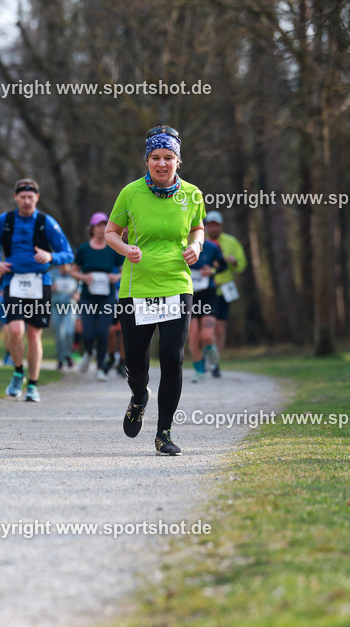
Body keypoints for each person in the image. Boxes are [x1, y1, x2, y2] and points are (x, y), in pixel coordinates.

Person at [105, 125, 206, 455]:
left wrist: (197, 246)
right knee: (136, 363)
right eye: (155, 157)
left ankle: (164, 433)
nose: (162, 164)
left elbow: (198, 228)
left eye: (168, 157)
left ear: (178, 160)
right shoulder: (130, 193)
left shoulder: (192, 194)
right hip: (137, 288)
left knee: (173, 358)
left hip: (177, 284)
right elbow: (110, 232)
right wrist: (125, 249)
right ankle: (139, 397)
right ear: (147, 160)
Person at [0, 178, 74, 402]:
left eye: (30, 197)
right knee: (15, 330)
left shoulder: (47, 222)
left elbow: (68, 254)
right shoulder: (5, 220)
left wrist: (50, 256)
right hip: (13, 281)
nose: (27, 201)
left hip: (40, 282)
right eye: (23, 197)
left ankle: (33, 385)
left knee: (34, 334)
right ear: (16, 198)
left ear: (37, 198)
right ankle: (18, 372)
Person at [71, 212, 125, 380]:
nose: (102, 229)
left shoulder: (113, 249)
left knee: (103, 332)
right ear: (92, 228)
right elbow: (73, 271)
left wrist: (116, 277)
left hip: (106, 297)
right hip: (87, 297)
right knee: (87, 332)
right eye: (98, 225)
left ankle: (100, 368)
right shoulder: (84, 249)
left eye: (104, 225)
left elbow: (125, 270)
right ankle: (88, 352)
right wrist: (83, 277)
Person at [205, 210, 247, 378]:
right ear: (206, 227)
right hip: (205, 290)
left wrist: (234, 262)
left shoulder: (231, 242)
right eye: (210, 225)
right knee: (206, 327)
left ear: (221, 225)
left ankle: (215, 363)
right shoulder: (200, 243)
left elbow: (242, 265)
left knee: (220, 328)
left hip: (224, 290)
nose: (213, 228)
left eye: (216, 225)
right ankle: (205, 357)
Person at [187, 232, 228, 383]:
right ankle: (199, 371)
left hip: (208, 294)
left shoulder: (211, 247)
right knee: (193, 336)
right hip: (189, 295)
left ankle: (211, 349)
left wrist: (212, 271)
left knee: (207, 335)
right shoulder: (179, 245)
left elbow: (223, 266)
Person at [50, 264, 79, 370]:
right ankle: (60, 359)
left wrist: (77, 293)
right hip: (56, 306)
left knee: (69, 332)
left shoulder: (73, 274)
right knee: (59, 334)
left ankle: (68, 355)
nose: (65, 268)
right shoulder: (53, 274)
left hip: (70, 306)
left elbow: (79, 287)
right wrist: (51, 288)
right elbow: (45, 287)